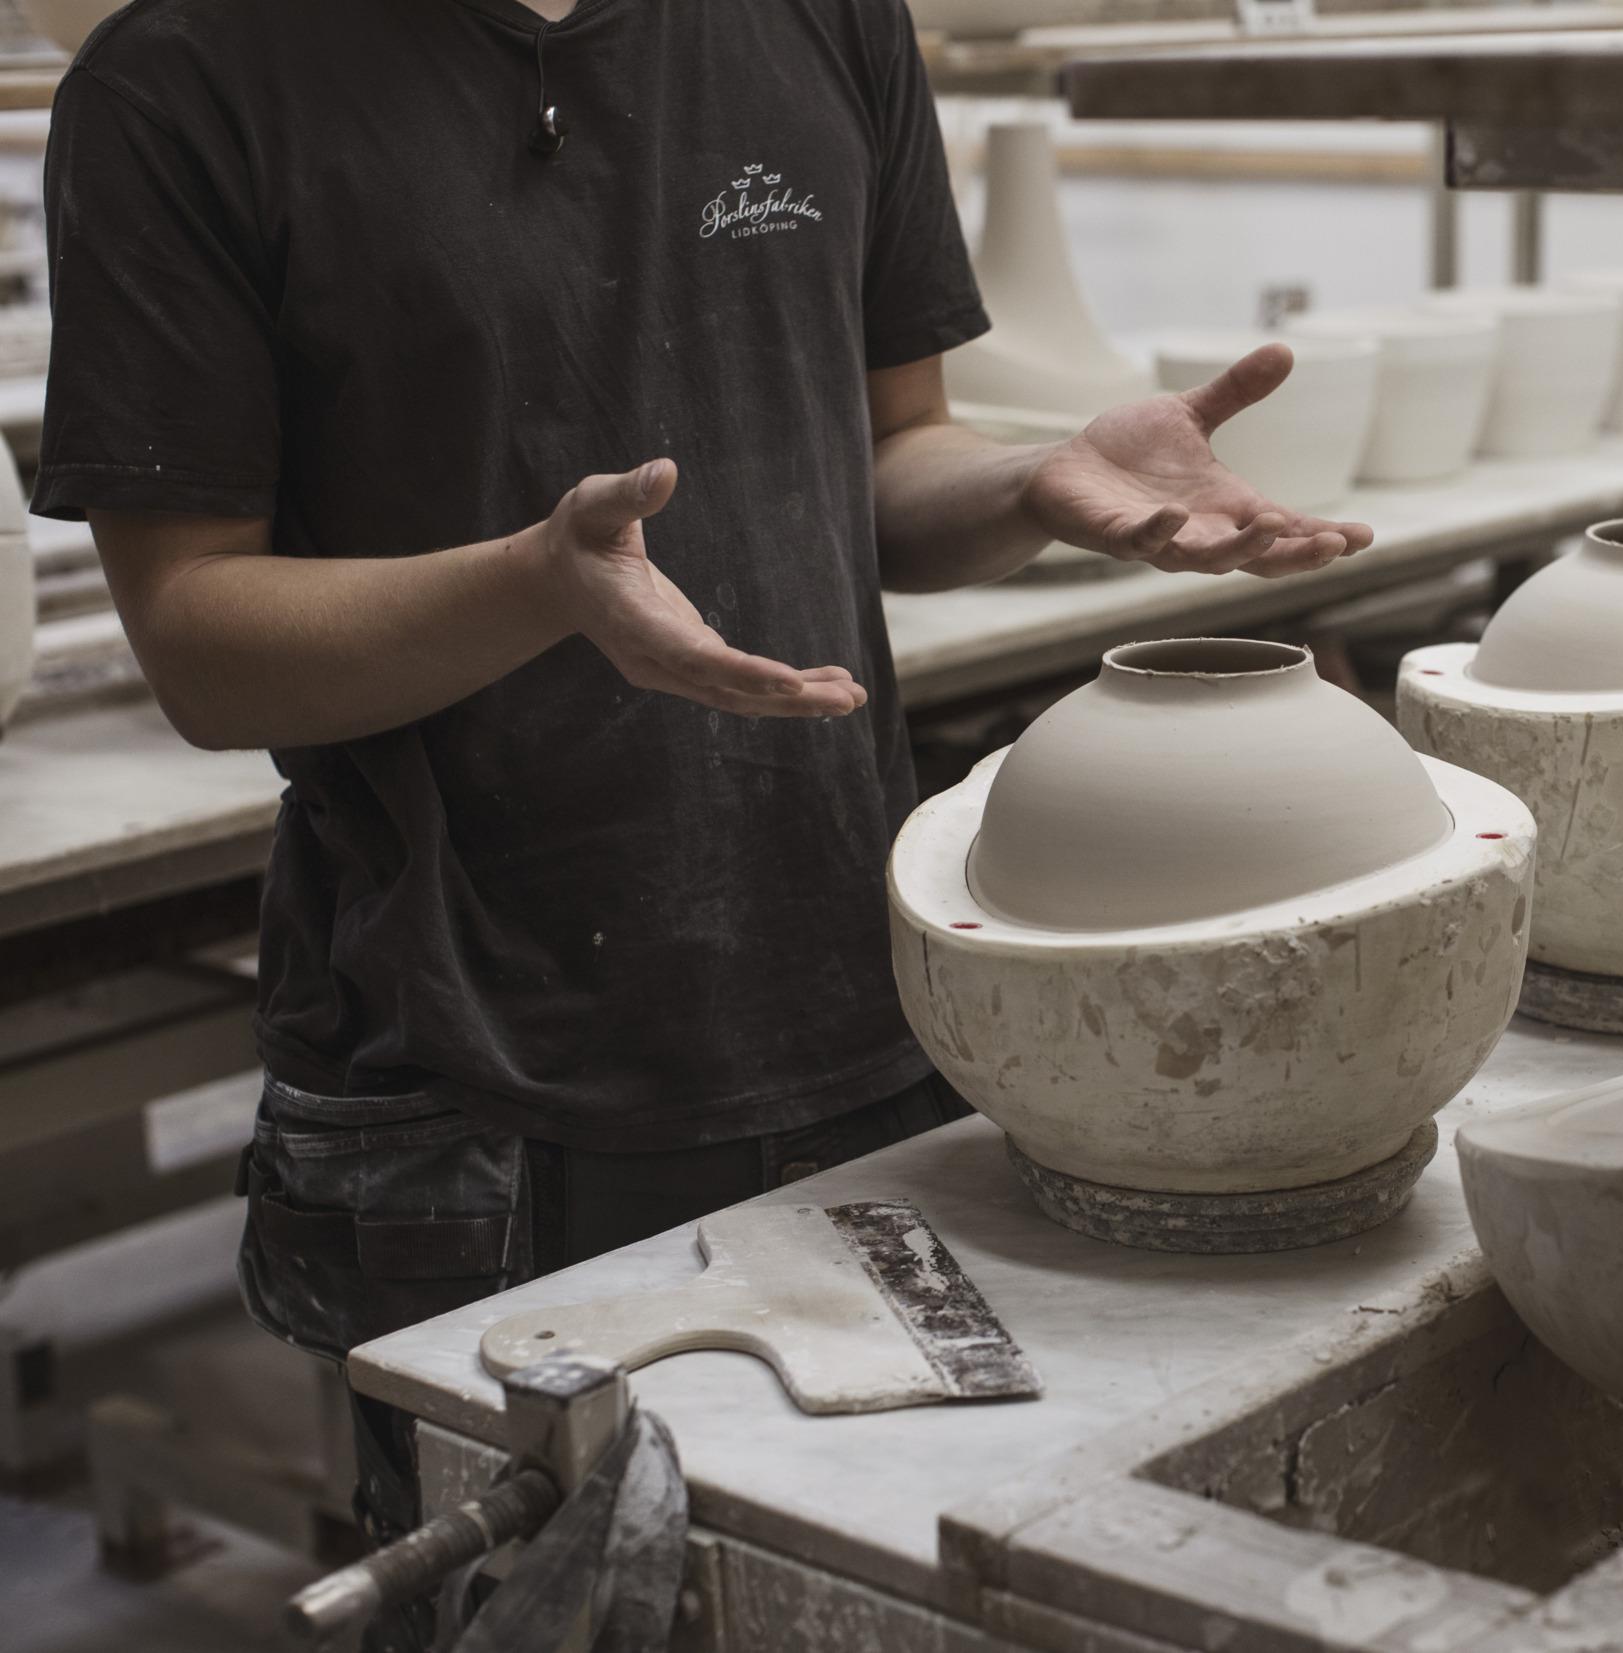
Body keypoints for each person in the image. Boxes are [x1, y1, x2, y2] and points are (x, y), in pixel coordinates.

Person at [34, 0, 1372, 1610]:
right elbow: (199, 640)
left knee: (883, 1594)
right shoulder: (186, 80)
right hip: (478, 1076)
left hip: (858, 1016)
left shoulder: (822, 21)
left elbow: (893, 452)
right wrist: (537, 584)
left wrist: (1030, 483)